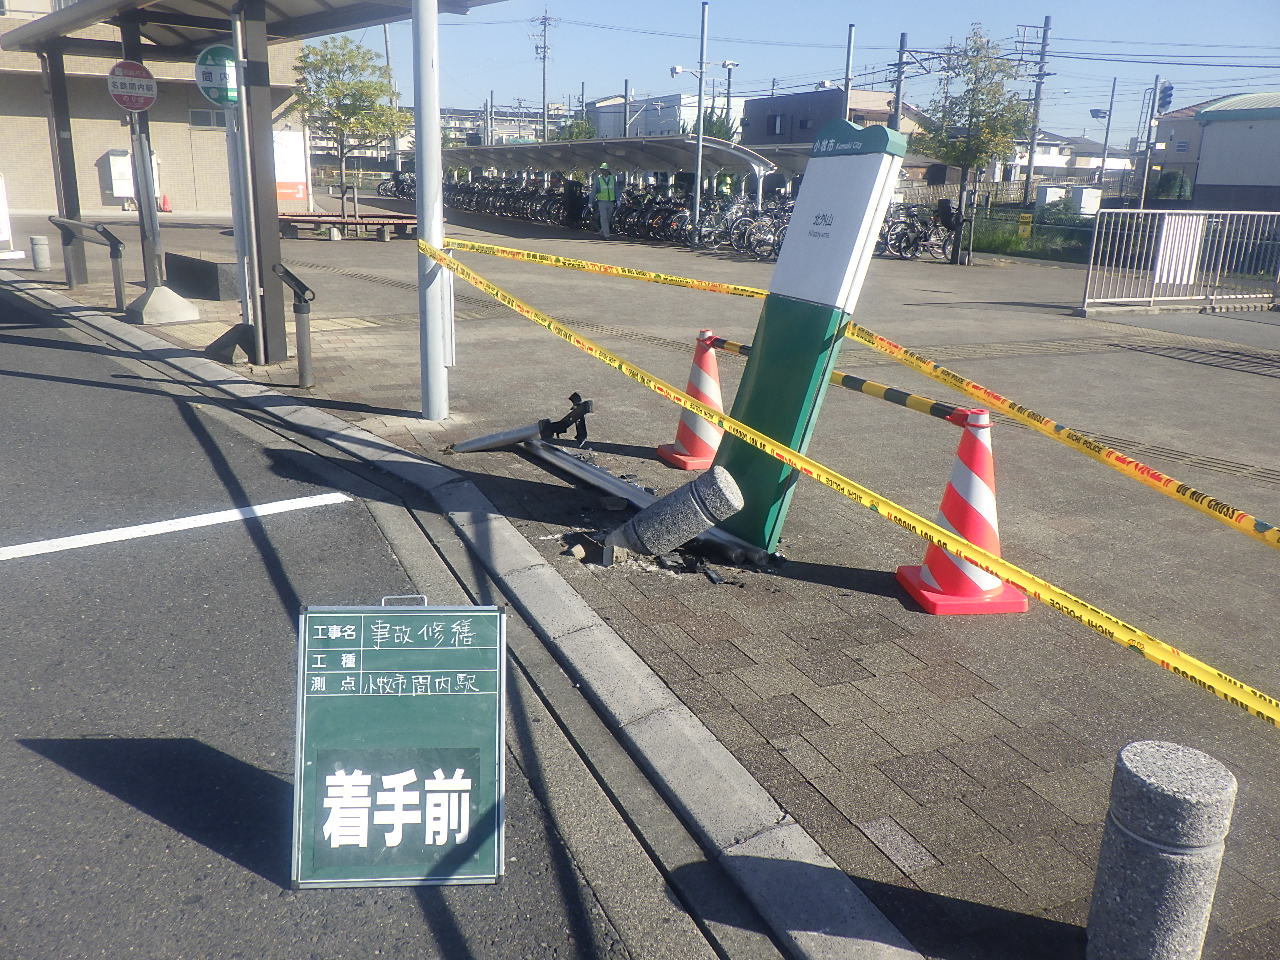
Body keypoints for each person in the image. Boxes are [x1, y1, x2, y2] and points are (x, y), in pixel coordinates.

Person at [592, 162, 617, 239]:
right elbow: (594, 191)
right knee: (604, 218)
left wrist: (618, 199)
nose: (603, 171)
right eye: (602, 170)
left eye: (605, 170)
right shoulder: (599, 180)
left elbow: (616, 189)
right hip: (602, 201)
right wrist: (590, 201)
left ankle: (602, 230)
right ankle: (607, 235)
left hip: (610, 201)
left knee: (608, 218)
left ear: (607, 170)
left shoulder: (612, 179)